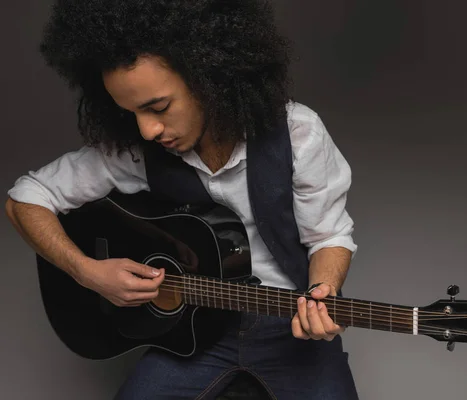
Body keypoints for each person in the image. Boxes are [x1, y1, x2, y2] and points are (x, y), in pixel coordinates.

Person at [5, 0, 359, 399]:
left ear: (211, 77)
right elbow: (25, 199)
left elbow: (328, 237)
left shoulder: (298, 134)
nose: (147, 129)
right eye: (130, 113)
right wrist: (86, 271)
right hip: (195, 333)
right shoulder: (137, 150)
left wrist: (321, 293)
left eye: (158, 107)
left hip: (289, 328)